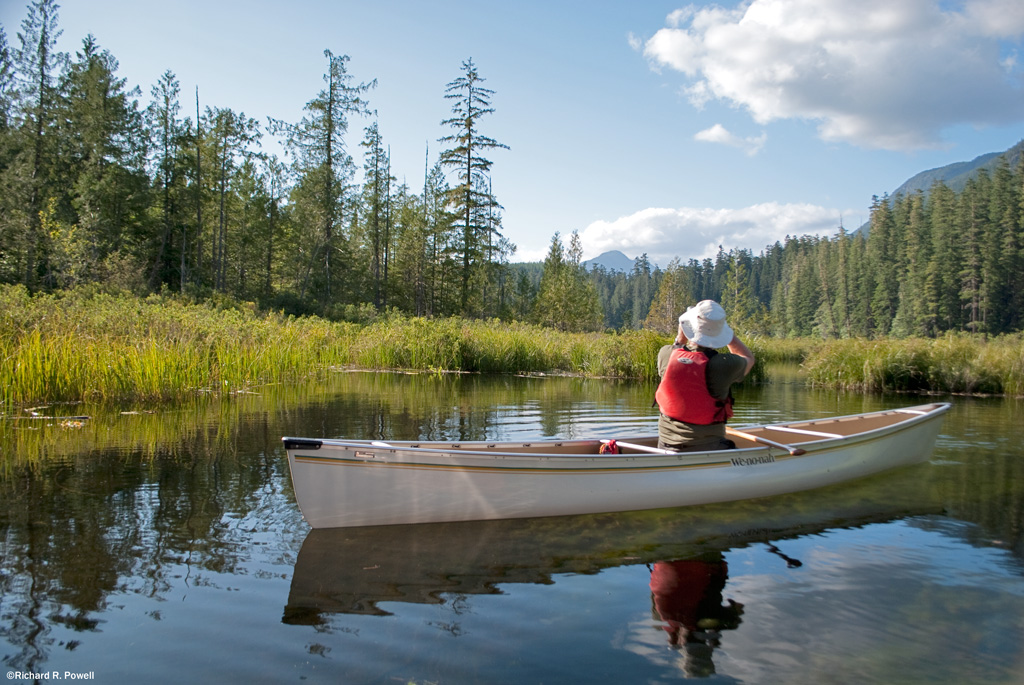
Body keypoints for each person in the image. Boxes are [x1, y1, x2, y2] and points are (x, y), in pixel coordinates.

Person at [655, 300, 755, 451]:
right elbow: (748, 358)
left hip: (666, 446)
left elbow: (678, 350)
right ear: (721, 332)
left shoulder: (665, 354)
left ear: (687, 327)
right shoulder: (725, 364)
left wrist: (681, 337)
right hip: (708, 447)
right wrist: (729, 335)